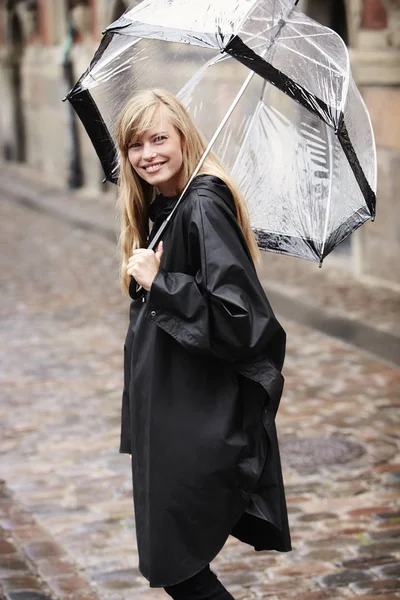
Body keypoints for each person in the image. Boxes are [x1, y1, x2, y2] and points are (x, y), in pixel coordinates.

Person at [115, 88, 291, 600]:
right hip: (167, 406)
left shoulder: (203, 205)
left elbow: (242, 319)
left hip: (193, 414)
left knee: (177, 566)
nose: (147, 154)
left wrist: (160, 283)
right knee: (172, 558)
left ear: (183, 138)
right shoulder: (165, 207)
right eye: (135, 144)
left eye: (158, 139)